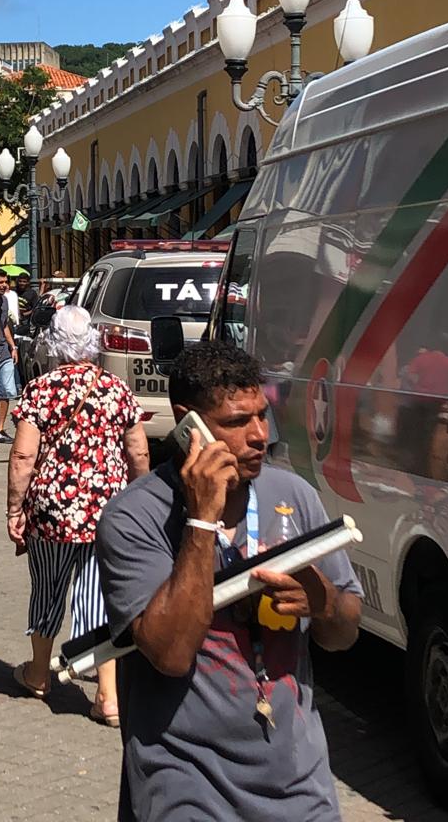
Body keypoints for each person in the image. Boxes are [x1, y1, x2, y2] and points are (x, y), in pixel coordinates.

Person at [95, 341, 363, 822]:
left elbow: (346, 633)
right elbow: (171, 654)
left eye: (262, 416)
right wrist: (201, 521)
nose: (260, 436)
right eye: (237, 423)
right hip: (189, 788)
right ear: (186, 424)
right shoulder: (134, 517)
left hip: (300, 787)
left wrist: (322, 604)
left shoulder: (294, 496)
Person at [7, 304, 149, 721]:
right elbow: (138, 450)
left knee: (48, 587)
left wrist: (15, 509)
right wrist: (142, 497)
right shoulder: (116, 389)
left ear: (52, 341)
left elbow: (21, 456)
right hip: (108, 510)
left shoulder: (41, 389)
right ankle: (108, 695)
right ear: (93, 343)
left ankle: (37, 674)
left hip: (51, 509)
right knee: (102, 594)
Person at [0, 270, 19, 444]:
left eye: (5, 282)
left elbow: (4, 326)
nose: (4, 285)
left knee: (5, 391)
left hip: (4, 350)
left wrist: (12, 346)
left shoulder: (4, 301)